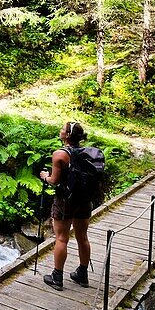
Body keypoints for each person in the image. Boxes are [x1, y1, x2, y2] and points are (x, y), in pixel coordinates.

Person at [38, 121, 95, 290]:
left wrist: (44, 177)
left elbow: (54, 181)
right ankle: (82, 274)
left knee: (62, 238)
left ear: (67, 135)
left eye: (62, 129)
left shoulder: (60, 155)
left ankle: (57, 277)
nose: (60, 130)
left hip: (65, 201)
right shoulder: (89, 153)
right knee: (82, 237)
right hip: (84, 200)